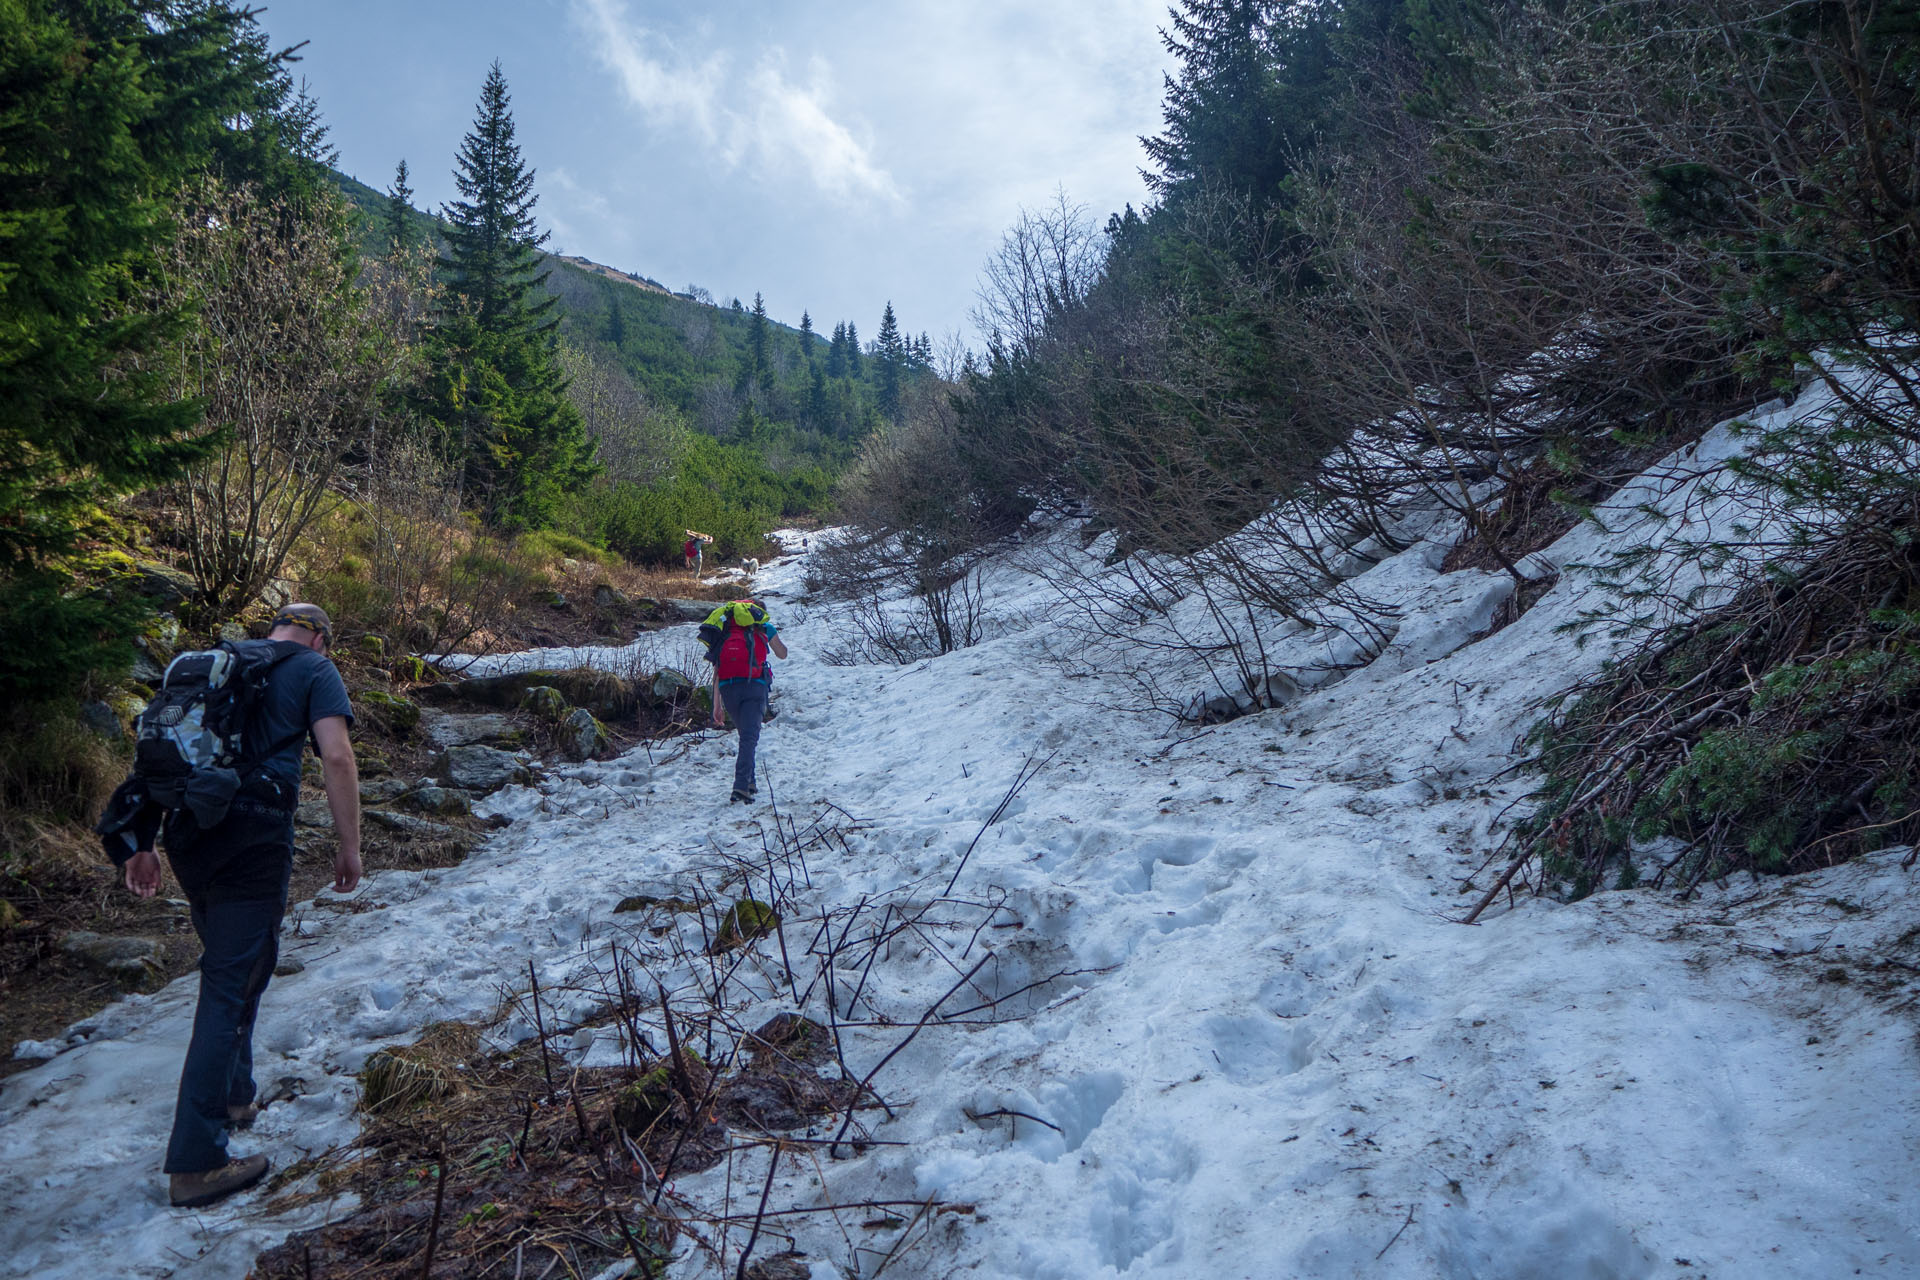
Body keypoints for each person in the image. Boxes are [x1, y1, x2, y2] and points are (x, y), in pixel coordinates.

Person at [103, 604, 361, 1208]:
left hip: (188, 835)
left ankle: (236, 1095)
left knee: (236, 968)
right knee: (229, 984)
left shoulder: (210, 665)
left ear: (273, 628)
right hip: (254, 835)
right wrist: (350, 844)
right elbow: (338, 756)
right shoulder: (314, 670)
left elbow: (156, 753)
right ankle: (196, 1162)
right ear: (320, 638)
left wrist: (139, 844)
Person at [706, 598, 787, 802]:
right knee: (749, 738)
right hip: (754, 686)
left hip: (728, 688)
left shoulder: (725, 631)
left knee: (746, 735)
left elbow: (717, 670)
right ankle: (741, 786)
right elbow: (783, 654)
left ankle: (750, 781)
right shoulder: (763, 627)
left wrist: (716, 705)